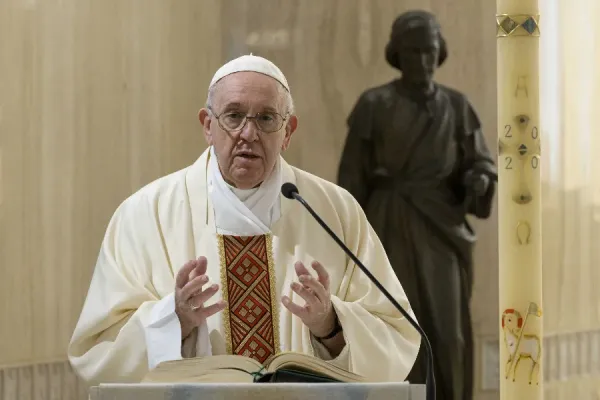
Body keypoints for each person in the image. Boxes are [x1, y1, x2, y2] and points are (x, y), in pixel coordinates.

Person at [68, 54, 421, 387]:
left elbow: (396, 336)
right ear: (208, 125)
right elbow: (98, 350)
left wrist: (330, 325)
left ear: (288, 131)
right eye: (233, 116)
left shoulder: (334, 211)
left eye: (266, 118)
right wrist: (173, 319)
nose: (248, 134)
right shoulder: (145, 215)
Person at [337, 11, 497, 400]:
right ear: (398, 54)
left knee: (448, 329)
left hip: (441, 229)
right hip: (388, 225)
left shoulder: (458, 108)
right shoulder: (374, 105)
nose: (423, 61)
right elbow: (350, 183)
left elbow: (480, 162)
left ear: (439, 53)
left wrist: (479, 178)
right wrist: (349, 244)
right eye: (413, 52)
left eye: (429, 51)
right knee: (395, 324)